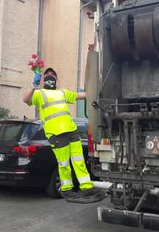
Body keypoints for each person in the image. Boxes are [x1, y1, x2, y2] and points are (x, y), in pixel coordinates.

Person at [23, 67, 104, 202]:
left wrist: (96, 91)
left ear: (56, 79)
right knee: (64, 163)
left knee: (79, 161)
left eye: (52, 75)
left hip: (71, 131)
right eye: (47, 75)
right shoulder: (39, 94)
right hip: (56, 134)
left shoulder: (62, 93)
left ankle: (86, 187)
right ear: (43, 80)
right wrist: (34, 85)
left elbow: (80, 95)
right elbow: (26, 99)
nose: (50, 76)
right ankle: (67, 190)